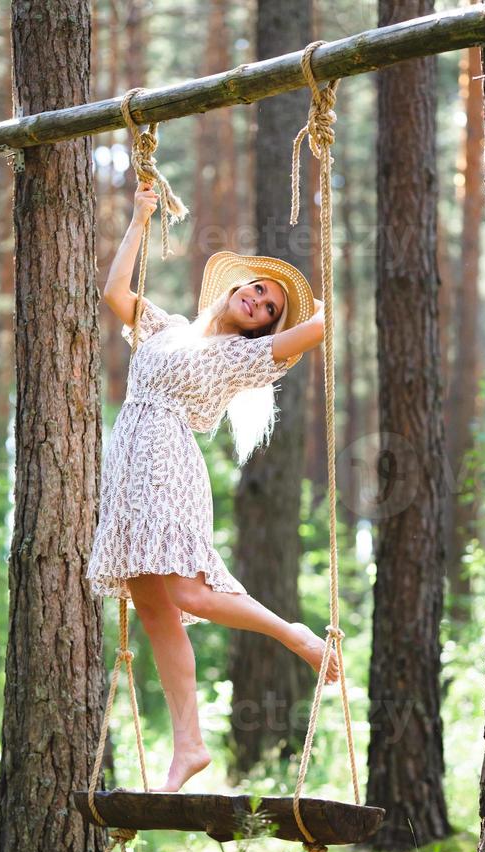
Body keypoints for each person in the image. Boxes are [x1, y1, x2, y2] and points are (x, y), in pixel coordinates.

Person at [86, 181, 340, 793]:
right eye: (256, 288)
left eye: (271, 307)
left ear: (265, 329)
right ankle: (189, 746)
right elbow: (114, 292)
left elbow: (319, 330)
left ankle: (295, 636)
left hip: (167, 464)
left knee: (187, 594)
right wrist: (141, 217)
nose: (259, 300)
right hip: (127, 466)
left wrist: (329, 246)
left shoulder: (242, 359)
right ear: (232, 288)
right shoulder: (167, 328)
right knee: (152, 608)